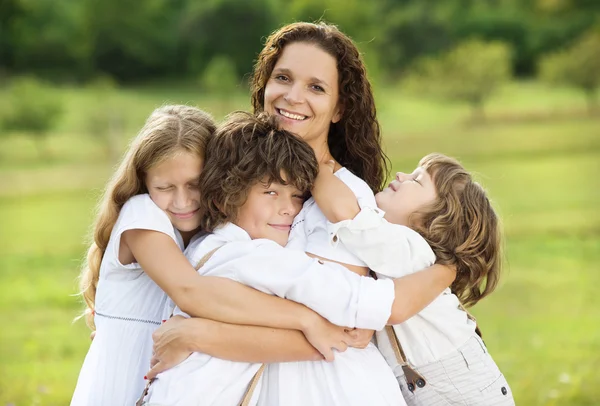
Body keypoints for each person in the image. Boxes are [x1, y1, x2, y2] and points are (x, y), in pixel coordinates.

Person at [146, 21, 452, 406]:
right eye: (283, 78)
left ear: (339, 107)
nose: (292, 96)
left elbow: (337, 327)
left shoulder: (344, 201)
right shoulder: (238, 173)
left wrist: (195, 335)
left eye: (316, 87)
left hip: (330, 388)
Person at [71, 105, 360, 406]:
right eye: (165, 187)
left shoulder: (212, 241)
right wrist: (307, 320)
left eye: (194, 185)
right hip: (118, 391)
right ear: (144, 181)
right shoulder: (142, 216)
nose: (182, 202)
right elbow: (190, 293)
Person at [144, 112, 404, 405]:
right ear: (222, 198)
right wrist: (445, 268)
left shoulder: (201, 247)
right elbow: (345, 295)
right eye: (270, 192)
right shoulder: (248, 257)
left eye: (296, 196)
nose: (288, 209)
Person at [314, 153, 515, 405]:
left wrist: (318, 169)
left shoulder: (410, 249)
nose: (401, 175)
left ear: (430, 222)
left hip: (461, 390)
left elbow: (343, 212)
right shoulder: (404, 256)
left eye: (417, 180)